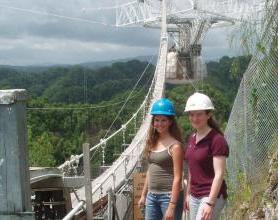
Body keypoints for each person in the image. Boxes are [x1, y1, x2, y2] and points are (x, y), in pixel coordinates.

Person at [183, 92, 229, 220]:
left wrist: (210, 203)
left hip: (210, 195)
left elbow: (219, 175)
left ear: (209, 114)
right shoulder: (192, 138)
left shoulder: (217, 140)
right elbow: (192, 169)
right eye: (191, 114)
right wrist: (188, 195)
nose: (194, 118)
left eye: (199, 114)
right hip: (194, 196)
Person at [138, 98, 184, 220]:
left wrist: (172, 206)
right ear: (153, 122)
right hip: (152, 196)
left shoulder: (175, 146)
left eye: (163, 120)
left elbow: (178, 177)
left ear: (170, 122)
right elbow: (150, 170)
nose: (159, 123)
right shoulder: (152, 142)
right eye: (157, 120)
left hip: (168, 197)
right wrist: (143, 195)